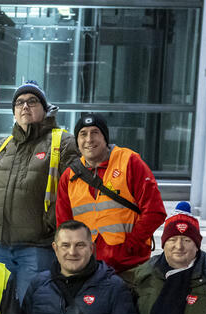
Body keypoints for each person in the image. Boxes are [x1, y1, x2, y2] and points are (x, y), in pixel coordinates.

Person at [0, 80, 79, 301]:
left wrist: (49, 225)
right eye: (19, 103)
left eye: (32, 101)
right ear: (14, 112)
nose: (25, 106)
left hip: (37, 247)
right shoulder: (3, 146)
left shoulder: (63, 142)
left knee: (31, 307)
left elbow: (72, 193)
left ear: (45, 108)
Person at [56, 113, 166, 279]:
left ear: (105, 138)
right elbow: (64, 225)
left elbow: (155, 212)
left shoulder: (130, 162)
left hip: (129, 268)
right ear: (77, 141)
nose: (89, 139)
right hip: (86, 269)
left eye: (95, 132)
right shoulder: (69, 176)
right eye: (83, 134)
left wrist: (130, 246)